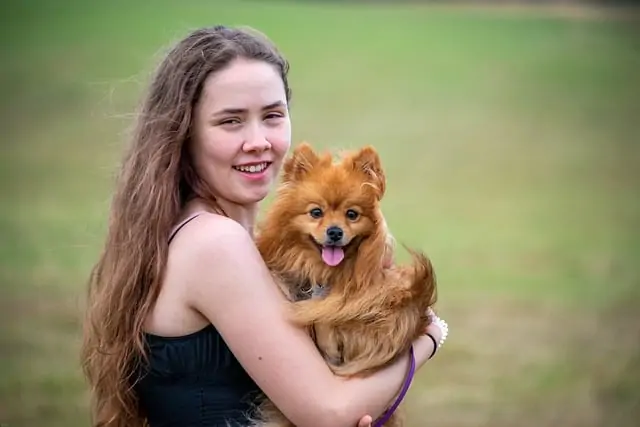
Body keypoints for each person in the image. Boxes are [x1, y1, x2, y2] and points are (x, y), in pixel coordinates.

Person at [80, 25, 449, 427]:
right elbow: (331, 413)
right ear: (184, 132)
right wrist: (427, 337)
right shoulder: (214, 244)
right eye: (231, 122)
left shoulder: (213, 234)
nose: (258, 140)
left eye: (272, 116)